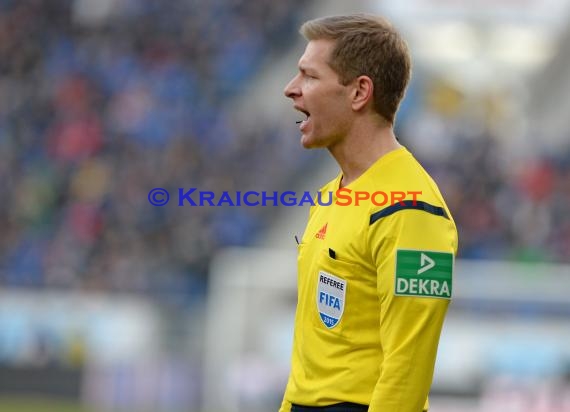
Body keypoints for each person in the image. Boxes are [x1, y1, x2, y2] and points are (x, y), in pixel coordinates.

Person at [279, 13, 458, 412]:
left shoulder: (413, 209)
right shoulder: (332, 195)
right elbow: (314, 358)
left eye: (309, 76)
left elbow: (407, 370)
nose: (291, 90)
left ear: (360, 92)